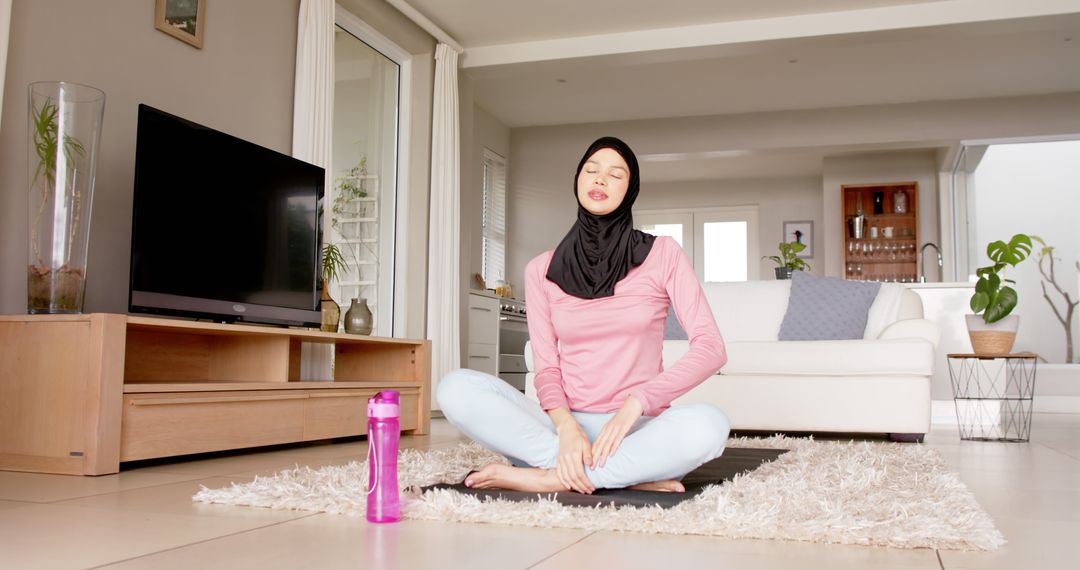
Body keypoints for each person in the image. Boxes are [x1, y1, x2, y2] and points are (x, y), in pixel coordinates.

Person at [437, 136, 729, 494]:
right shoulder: (541, 269)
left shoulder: (663, 254)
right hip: (561, 431)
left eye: (615, 174)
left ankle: (549, 478)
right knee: (456, 388)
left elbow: (711, 348)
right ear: (577, 180)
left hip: (635, 429)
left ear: (631, 189)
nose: (600, 179)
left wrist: (636, 403)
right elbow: (546, 368)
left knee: (709, 426)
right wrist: (566, 427)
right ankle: (618, 474)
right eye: (591, 170)